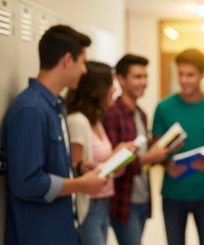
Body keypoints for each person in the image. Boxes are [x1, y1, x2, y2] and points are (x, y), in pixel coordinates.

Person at [2, 25, 108, 245]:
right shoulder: (31, 110)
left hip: (61, 230)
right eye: (82, 62)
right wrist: (81, 184)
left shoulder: (54, 106)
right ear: (67, 60)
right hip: (39, 235)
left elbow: (50, 166)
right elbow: (27, 182)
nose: (84, 71)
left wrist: (79, 168)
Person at [152, 48, 204, 245]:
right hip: (172, 193)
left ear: (202, 75)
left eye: (190, 75)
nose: (184, 80)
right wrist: (167, 165)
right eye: (181, 74)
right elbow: (155, 150)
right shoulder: (164, 107)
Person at [66, 61, 136, 245]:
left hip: (103, 202)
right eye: (110, 84)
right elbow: (75, 169)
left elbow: (99, 165)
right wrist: (116, 154)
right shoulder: (78, 121)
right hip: (88, 205)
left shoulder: (95, 121)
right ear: (97, 89)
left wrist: (120, 160)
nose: (114, 89)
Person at [103, 54, 169, 245]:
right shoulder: (112, 114)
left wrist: (161, 150)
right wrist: (148, 157)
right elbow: (113, 165)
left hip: (143, 198)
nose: (144, 82)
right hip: (124, 201)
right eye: (138, 77)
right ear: (121, 79)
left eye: (145, 76)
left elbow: (142, 156)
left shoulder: (141, 114)